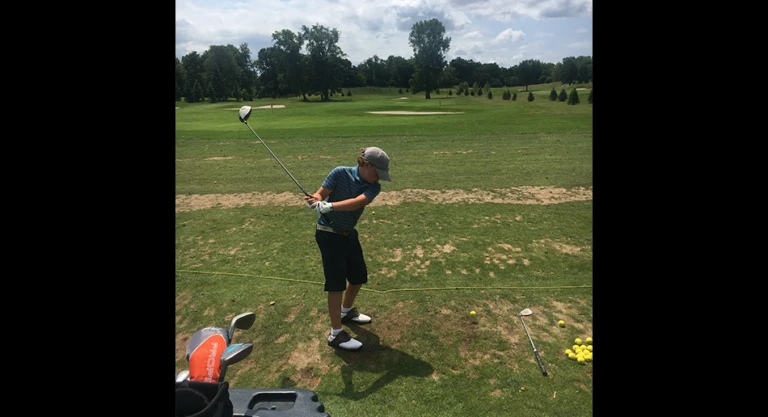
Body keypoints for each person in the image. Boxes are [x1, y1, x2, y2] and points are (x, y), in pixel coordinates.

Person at [305, 146, 392, 351]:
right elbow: (320, 194)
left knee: (358, 276)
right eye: (377, 173)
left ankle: (345, 312)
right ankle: (335, 334)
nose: (378, 178)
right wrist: (316, 201)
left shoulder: (373, 187)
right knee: (336, 284)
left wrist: (330, 206)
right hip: (327, 233)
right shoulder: (339, 172)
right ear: (366, 164)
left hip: (348, 233)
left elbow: (357, 202)